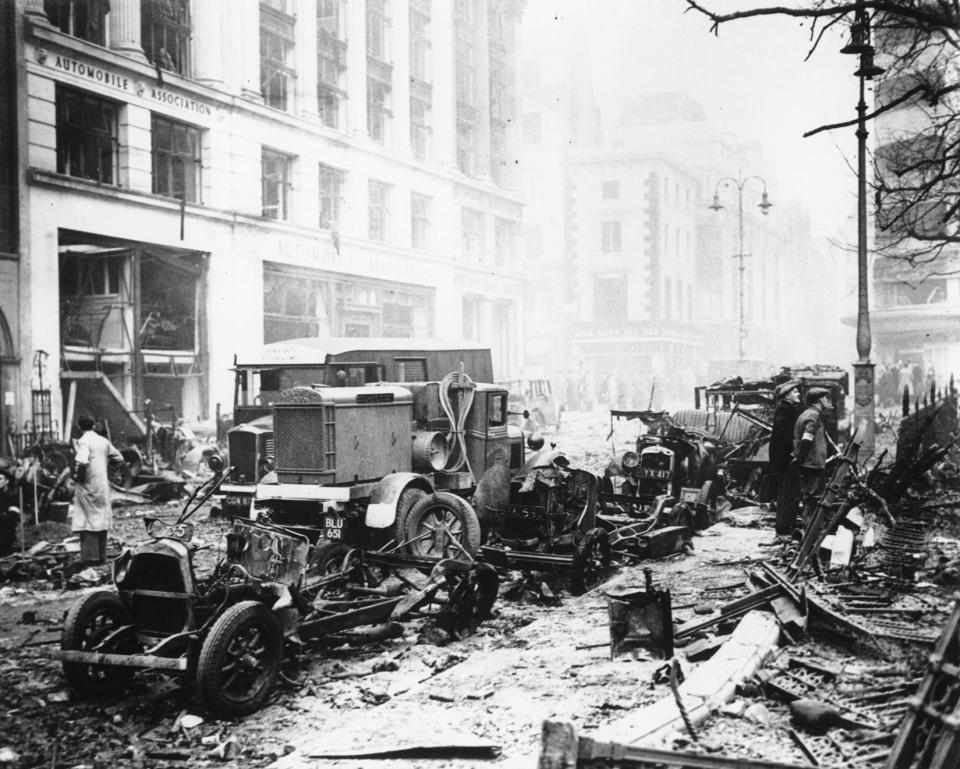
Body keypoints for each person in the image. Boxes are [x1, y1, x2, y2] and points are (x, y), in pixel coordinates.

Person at [70, 415, 124, 565]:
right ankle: (102, 556)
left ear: (80, 427)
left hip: (87, 485)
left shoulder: (84, 441)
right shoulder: (103, 441)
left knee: (87, 519)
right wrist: (107, 468)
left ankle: (90, 558)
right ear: (93, 425)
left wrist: (77, 477)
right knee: (101, 518)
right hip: (102, 485)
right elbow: (119, 458)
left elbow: (81, 462)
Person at [792, 387, 832, 529]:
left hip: (811, 462)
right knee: (812, 497)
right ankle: (810, 529)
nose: (827, 401)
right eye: (826, 398)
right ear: (820, 400)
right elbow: (807, 438)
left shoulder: (807, 413)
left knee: (810, 495)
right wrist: (802, 457)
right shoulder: (813, 416)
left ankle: (810, 526)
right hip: (813, 463)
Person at [769, 380, 801, 536]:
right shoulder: (784, 410)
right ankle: (783, 528)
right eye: (795, 392)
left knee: (789, 492)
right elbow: (783, 438)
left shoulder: (788, 409)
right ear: (787, 395)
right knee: (786, 493)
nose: (799, 394)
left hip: (785, 459)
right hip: (785, 460)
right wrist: (791, 455)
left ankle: (787, 525)